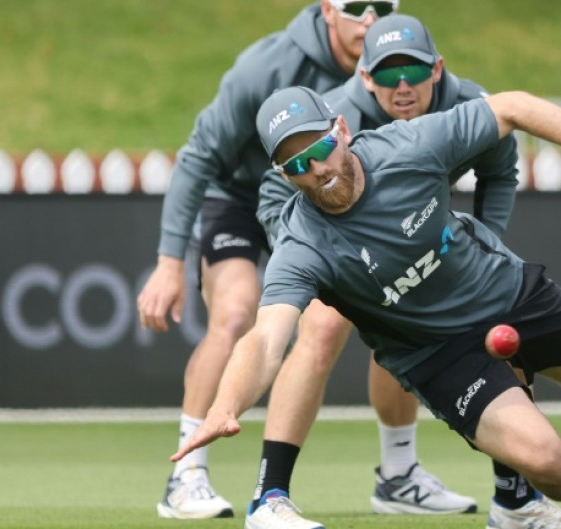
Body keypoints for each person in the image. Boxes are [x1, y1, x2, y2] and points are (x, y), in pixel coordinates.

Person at [171, 85, 561, 529]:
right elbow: (266, 338)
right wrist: (227, 405)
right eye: (299, 163)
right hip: (438, 355)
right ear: (285, 175)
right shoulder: (302, 244)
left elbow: (512, 106)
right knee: (545, 460)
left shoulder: (410, 146)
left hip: (509, 294)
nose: (318, 168)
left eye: (322, 146)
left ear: (342, 130)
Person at [250, 14, 561, 529]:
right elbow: (276, 194)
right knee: (322, 329)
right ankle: (275, 493)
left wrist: (485, 243)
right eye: (386, 75)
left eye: (411, 72)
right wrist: (317, 258)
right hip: (316, 226)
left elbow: (499, 171)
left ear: (435, 70)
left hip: (418, 235)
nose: (401, 85)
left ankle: (490, 494)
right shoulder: (338, 117)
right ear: (364, 77)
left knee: (467, 309)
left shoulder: (463, 103)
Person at [136, 0, 471, 520]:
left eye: (382, 7)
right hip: (244, 202)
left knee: (397, 303)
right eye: (356, 7)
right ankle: (186, 476)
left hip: (329, 203)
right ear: (326, 10)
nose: (370, 18)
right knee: (236, 312)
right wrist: (167, 260)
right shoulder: (265, 66)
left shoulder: (391, 74)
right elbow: (199, 154)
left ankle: (399, 476)